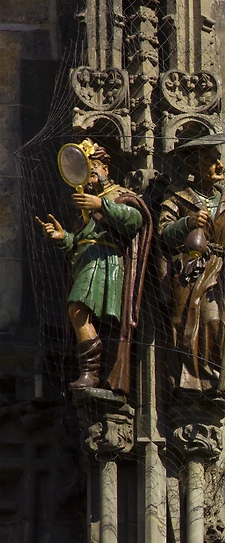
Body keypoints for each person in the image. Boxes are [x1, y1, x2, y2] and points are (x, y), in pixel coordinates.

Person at [35, 142, 151, 393]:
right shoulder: (87, 205)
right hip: (87, 261)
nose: (91, 173)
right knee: (80, 314)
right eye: (86, 169)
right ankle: (92, 373)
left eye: (94, 166)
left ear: (106, 168)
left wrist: (101, 205)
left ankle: (90, 372)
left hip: (104, 263)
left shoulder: (119, 195)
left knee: (77, 310)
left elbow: (135, 220)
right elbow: (81, 240)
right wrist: (63, 237)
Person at [157, 134, 225, 393]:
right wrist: (187, 223)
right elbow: (163, 232)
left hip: (216, 271)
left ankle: (217, 376)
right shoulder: (177, 196)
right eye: (211, 160)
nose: (220, 166)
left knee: (214, 319)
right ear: (194, 167)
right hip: (188, 269)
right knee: (185, 323)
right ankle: (188, 379)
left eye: (218, 159)